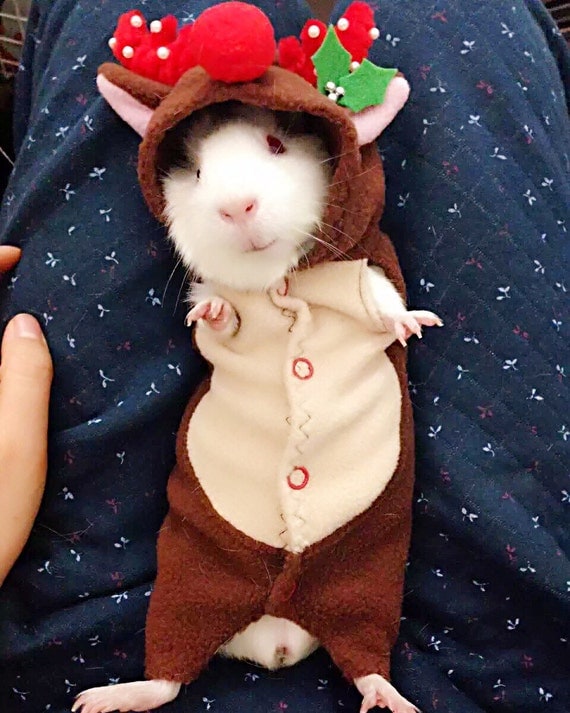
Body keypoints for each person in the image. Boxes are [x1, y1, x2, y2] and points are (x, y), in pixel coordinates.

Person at [0, 1, 568, 712]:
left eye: (274, 147)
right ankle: (175, 668)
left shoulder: (347, 262)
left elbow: (364, 291)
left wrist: (390, 313)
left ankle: (369, 670)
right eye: (200, 174)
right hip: (497, 669)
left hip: (64, 631)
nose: (235, 204)